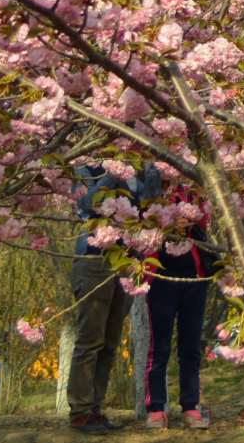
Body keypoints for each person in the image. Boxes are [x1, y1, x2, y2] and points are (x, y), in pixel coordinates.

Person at [67, 160, 158, 433]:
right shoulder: (87, 168)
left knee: (109, 342)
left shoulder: (142, 170)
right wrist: (114, 173)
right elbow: (87, 203)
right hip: (94, 260)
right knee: (90, 339)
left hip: (128, 262)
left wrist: (150, 172)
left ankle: (95, 409)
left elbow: (153, 209)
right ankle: (80, 412)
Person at [143, 186, 217, 430]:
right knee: (159, 346)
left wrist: (195, 210)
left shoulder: (193, 192)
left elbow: (203, 227)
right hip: (161, 279)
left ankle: (190, 406)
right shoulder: (150, 189)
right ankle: (156, 409)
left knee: (191, 346)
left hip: (194, 277)